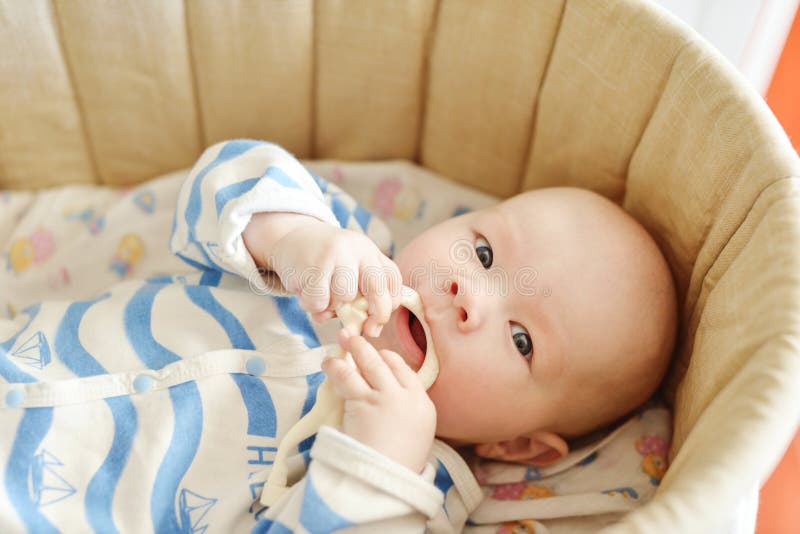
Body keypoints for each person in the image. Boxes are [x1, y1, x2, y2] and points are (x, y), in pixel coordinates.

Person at [0, 139, 676, 533]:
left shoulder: (417, 487)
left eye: (522, 339)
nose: (470, 296)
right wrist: (292, 235)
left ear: (517, 443)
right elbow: (224, 177)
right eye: (486, 254)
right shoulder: (344, 243)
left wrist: (377, 458)